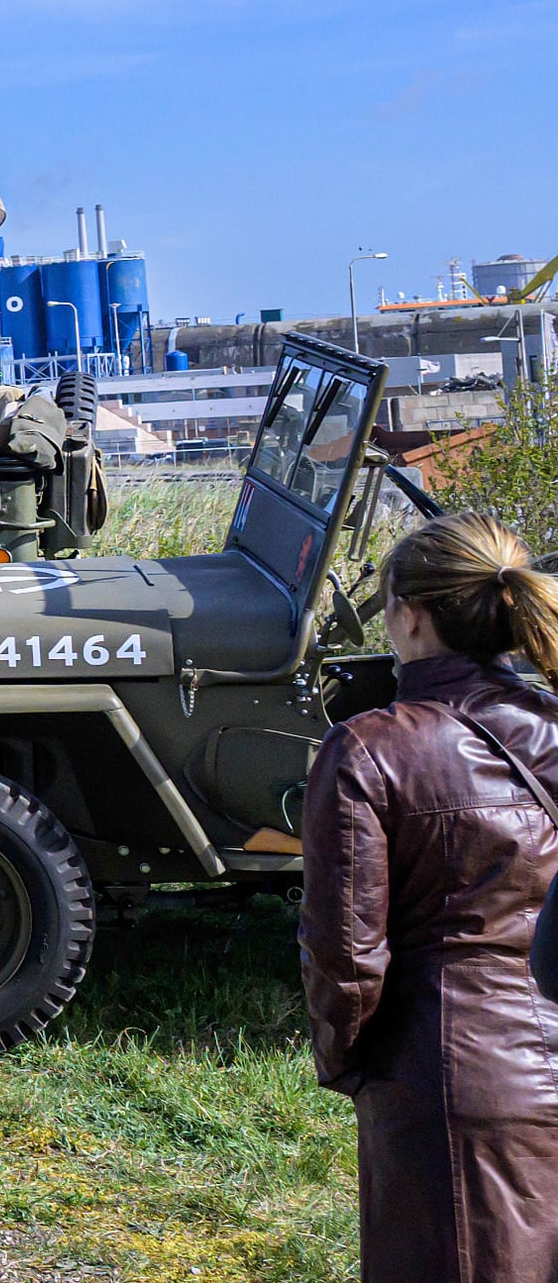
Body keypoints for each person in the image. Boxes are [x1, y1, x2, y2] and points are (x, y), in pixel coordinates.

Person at [301, 511, 558, 1283]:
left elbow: (346, 956)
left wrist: (350, 1064)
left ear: (410, 615)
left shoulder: (371, 747)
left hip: (450, 1083)